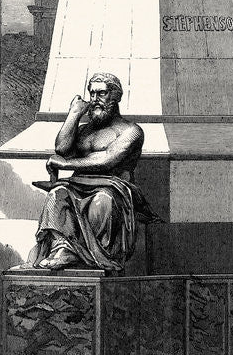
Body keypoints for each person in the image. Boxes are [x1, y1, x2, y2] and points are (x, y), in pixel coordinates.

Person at [17, 73, 157, 272]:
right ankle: (63, 248)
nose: (94, 99)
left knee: (102, 201)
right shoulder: (84, 131)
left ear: (116, 97)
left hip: (113, 188)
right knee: (57, 195)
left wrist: (65, 165)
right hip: (78, 186)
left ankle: (98, 257)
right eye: (92, 93)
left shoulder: (131, 131)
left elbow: (107, 159)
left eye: (102, 93)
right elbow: (62, 149)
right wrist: (74, 114)